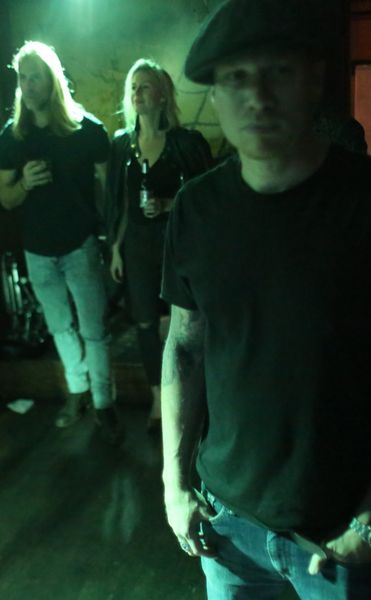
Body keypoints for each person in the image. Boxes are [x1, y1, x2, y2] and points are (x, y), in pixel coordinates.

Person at [159, 1, 371, 597]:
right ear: (214, 95)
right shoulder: (196, 209)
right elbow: (185, 347)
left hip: (341, 533)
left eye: (279, 72)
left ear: (315, 79)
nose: (258, 97)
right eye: (236, 78)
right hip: (226, 527)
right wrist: (174, 483)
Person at [0, 41, 122, 444]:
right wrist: (24, 183)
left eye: (35, 77)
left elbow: (111, 188)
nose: (28, 85)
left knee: (94, 329)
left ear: (52, 80)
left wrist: (112, 236)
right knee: (61, 329)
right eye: (22, 78)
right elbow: (5, 197)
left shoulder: (87, 130)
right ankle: (78, 392)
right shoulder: (13, 136)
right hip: (37, 249)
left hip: (79, 244)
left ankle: (104, 402)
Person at [104, 58, 212, 434]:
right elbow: (119, 203)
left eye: (145, 86)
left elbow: (205, 197)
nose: (137, 93)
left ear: (163, 95)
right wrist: (115, 249)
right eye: (133, 87)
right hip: (136, 244)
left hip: (175, 243)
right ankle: (156, 398)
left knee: (184, 322)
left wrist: (169, 205)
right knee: (145, 323)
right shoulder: (122, 144)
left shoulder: (186, 144)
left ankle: (190, 397)